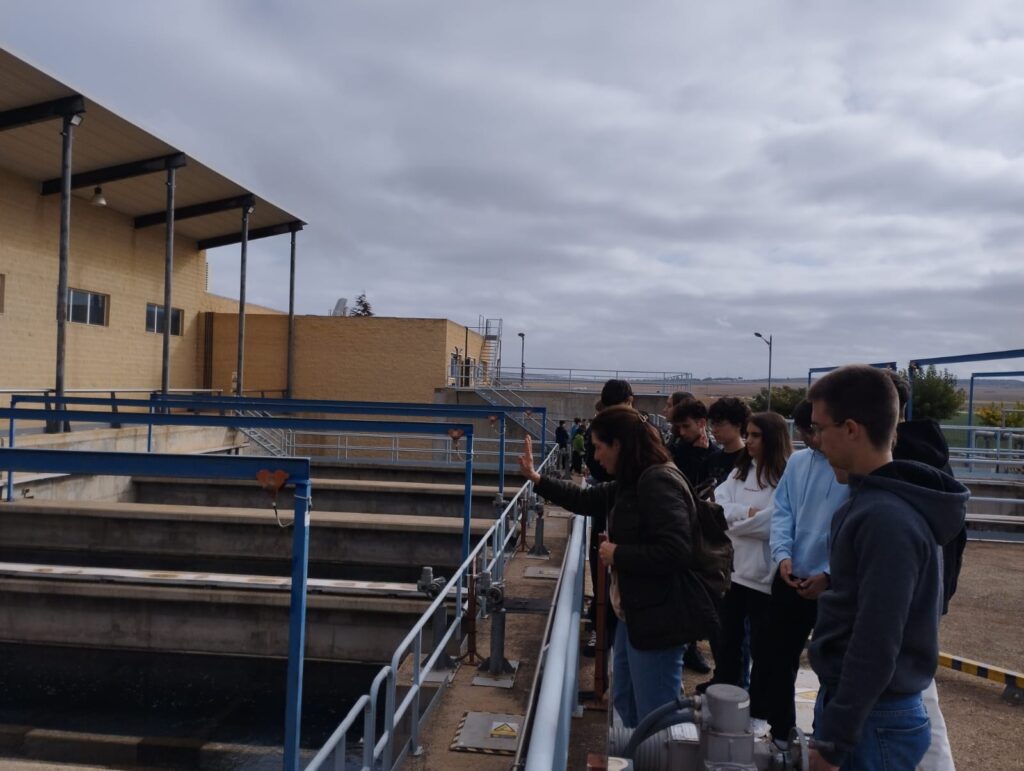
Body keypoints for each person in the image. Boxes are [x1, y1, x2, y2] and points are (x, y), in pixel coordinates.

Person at [805, 365, 968, 771]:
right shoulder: (870, 504)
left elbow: (876, 640)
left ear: (851, 429)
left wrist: (835, 740)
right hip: (863, 711)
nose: (815, 440)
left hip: (874, 720)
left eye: (820, 428)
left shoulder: (886, 518)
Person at [518, 405, 717, 728]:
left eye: (599, 447)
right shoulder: (634, 480)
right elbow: (586, 500)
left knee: (656, 714)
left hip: (659, 619)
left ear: (619, 445)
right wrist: (537, 479)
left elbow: (677, 551)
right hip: (636, 613)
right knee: (625, 699)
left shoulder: (656, 482)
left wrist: (618, 554)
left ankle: (661, 751)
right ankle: (640, 752)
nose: (596, 456)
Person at [885, 370, 964, 771]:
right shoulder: (935, 460)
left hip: (910, 596)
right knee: (918, 688)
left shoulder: (900, 466)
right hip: (929, 593)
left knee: (914, 692)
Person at [763, 399, 849, 745]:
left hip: (832, 586)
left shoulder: (850, 469)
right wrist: (782, 555)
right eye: (806, 432)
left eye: (817, 430)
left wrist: (829, 574)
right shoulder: (798, 462)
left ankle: (824, 740)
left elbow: (854, 531)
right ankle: (781, 733)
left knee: (831, 665)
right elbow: (782, 511)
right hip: (791, 577)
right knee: (777, 659)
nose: (813, 439)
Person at [705, 412, 792, 736]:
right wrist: (748, 515)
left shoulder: (786, 477)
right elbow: (718, 508)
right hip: (734, 572)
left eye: (756, 435)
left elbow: (774, 524)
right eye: (749, 434)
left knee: (763, 650)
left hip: (764, 579)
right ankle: (727, 703)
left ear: (772, 438)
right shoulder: (741, 470)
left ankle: (759, 712)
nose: (749, 441)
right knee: (728, 643)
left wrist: (736, 523)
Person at [703, 397, 752, 488]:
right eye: (712, 424)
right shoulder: (712, 458)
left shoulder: (749, 460)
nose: (714, 430)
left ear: (738, 425)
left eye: (719, 424)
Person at [668, 399, 715, 488]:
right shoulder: (675, 450)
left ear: (701, 423)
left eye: (686, 426)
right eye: (679, 427)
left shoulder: (714, 455)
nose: (682, 432)